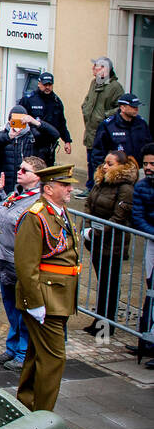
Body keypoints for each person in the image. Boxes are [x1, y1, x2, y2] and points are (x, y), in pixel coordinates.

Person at [15, 164, 82, 412]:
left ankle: (27, 405)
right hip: (46, 298)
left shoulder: (59, 212)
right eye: (65, 185)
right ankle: (43, 415)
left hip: (59, 296)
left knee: (36, 355)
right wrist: (35, 303)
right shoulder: (36, 215)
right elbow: (26, 264)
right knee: (54, 359)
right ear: (49, 188)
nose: (70, 189)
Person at [0, 156, 45, 372]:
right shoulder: (16, 194)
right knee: (11, 308)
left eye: (25, 170)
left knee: (23, 310)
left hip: (19, 262)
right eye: (20, 168)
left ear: (37, 177)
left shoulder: (37, 201)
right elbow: (5, 215)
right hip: (3, 259)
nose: (19, 172)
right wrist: (0, 194)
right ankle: (12, 347)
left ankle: (23, 352)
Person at [81, 150, 138, 336]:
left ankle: (105, 328)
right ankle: (99, 320)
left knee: (109, 285)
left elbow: (118, 218)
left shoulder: (125, 188)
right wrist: (87, 227)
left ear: (121, 166)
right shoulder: (101, 182)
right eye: (105, 163)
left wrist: (95, 232)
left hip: (112, 244)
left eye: (110, 164)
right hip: (97, 242)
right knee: (102, 283)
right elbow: (89, 204)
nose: (105, 166)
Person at [80, 57, 124, 192]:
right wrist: (85, 107)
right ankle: (90, 187)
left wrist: (104, 116)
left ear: (105, 70)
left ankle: (98, 189)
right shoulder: (94, 83)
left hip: (102, 132)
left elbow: (120, 108)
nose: (93, 69)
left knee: (99, 162)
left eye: (96, 67)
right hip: (90, 130)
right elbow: (88, 100)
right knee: (90, 161)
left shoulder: (115, 87)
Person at [89, 93, 151, 181]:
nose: (137, 109)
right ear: (122, 107)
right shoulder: (108, 125)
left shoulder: (141, 123)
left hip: (138, 171)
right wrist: (102, 174)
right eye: (133, 107)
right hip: (117, 173)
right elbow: (98, 153)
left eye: (137, 106)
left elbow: (148, 147)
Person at [129, 144, 154, 367]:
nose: (148, 168)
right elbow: (138, 216)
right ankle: (147, 340)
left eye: (152, 164)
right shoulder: (143, 186)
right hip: (152, 242)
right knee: (151, 291)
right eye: (145, 163)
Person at [16, 73, 71, 162]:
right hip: (32, 145)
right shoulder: (29, 99)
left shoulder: (56, 102)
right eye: (45, 84)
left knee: (47, 172)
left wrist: (67, 141)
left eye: (49, 84)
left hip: (49, 146)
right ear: (39, 84)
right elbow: (18, 119)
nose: (47, 87)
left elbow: (61, 124)